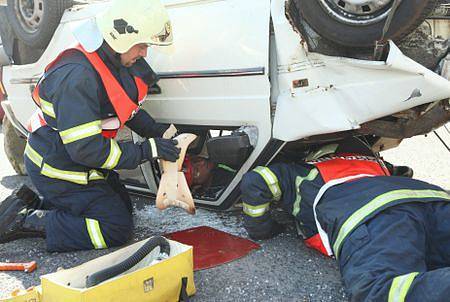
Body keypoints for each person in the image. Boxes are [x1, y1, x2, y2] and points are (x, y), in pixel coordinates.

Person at [0, 0, 180, 252]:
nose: (145, 54)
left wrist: (160, 133)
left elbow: (125, 107)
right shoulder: (77, 77)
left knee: (123, 207)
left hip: (73, 160)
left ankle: (35, 204)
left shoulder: (110, 60)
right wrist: (147, 150)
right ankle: (26, 221)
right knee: (114, 227)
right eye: (142, 45)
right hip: (58, 169)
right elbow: (86, 149)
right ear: (120, 39)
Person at [240, 137, 450, 302]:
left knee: (381, 291)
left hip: (374, 214)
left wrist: (262, 229)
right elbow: (406, 173)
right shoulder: (376, 164)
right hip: (436, 200)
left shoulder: (302, 171)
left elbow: (256, 180)